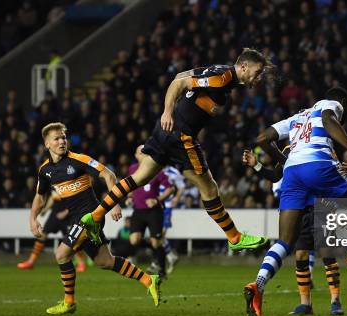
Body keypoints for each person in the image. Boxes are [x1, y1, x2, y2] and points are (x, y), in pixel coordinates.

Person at [77, 48, 273, 252]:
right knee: (209, 188)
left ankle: (95, 216)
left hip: (165, 132)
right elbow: (179, 82)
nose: (258, 78)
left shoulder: (220, 74)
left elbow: (182, 75)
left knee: (140, 178)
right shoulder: (222, 78)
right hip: (181, 135)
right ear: (243, 66)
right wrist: (168, 112)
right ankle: (234, 237)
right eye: (257, 72)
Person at [243, 87, 347, 316]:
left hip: (293, 174)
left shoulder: (297, 117)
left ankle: (258, 283)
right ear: (343, 103)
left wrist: (288, 157)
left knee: (284, 242)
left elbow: (261, 139)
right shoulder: (331, 104)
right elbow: (327, 118)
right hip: (317, 166)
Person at [30, 122, 160, 315]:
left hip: (91, 215)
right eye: (56, 138)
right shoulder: (45, 170)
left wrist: (114, 202)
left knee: (61, 254)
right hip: (77, 218)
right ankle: (149, 280)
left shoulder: (78, 160)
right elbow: (40, 197)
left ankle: (69, 302)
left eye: (64, 137)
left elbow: (108, 175)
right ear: (47, 143)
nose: (62, 141)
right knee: (104, 261)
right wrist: (33, 218)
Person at [242, 147, 344, 316]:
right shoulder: (289, 150)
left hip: (322, 205)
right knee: (301, 254)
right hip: (299, 208)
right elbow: (276, 176)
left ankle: (335, 300)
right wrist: (256, 165)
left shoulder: (322, 145)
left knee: (327, 253)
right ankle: (305, 304)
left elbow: (337, 171)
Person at [125, 145, 174, 278]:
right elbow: (130, 186)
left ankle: (162, 271)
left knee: (156, 242)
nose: (144, 154)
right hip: (138, 210)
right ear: (136, 156)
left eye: (146, 152)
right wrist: (129, 197)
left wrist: (157, 200)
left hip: (154, 211)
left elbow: (171, 188)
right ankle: (152, 246)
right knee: (134, 240)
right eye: (141, 152)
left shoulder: (156, 169)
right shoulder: (132, 169)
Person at [17, 191, 87, 272]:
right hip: (54, 214)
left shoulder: (69, 181)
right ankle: (31, 262)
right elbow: (53, 197)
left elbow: (76, 199)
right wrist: (46, 209)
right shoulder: (55, 180)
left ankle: (81, 263)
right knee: (42, 236)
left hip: (68, 216)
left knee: (73, 239)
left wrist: (66, 212)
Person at [160, 165, 185, 274]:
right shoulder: (153, 167)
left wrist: (176, 198)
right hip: (155, 205)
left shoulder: (173, 172)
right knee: (156, 235)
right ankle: (169, 256)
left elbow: (181, 186)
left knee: (160, 234)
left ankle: (166, 257)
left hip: (167, 206)